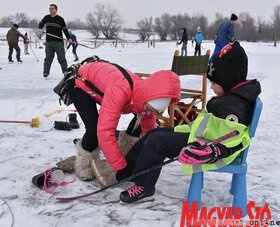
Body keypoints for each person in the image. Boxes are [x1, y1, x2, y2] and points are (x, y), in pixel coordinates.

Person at [116, 41, 261, 204]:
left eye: (214, 83)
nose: (211, 86)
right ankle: (127, 171)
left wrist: (211, 151)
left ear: (229, 80)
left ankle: (144, 186)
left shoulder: (234, 106)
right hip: (199, 137)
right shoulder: (230, 97)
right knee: (152, 133)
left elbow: (233, 139)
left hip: (204, 147)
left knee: (157, 142)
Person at [64, 60, 180, 186]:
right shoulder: (120, 91)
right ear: (148, 100)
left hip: (105, 83)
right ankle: (84, 163)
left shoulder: (147, 96)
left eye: (153, 112)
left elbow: (149, 132)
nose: (148, 113)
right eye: (148, 109)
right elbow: (105, 131)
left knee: (139, 119)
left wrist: (151, 152)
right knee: (94, 128)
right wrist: (120, 167)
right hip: (80, 83)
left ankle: (126, 152)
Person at [38, 4, 72, 78]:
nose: (50, 10)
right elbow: (41, 23)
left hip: (58, 42)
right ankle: (46, 72)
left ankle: (65, 71)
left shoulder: (60, 19)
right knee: (48, 58)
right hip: (49, 42)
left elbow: (65, 29)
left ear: (56, 10)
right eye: (49, 8)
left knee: (61, 58)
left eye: (52, 8)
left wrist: (69, 38)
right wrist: (40, 28)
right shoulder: (46, 17)